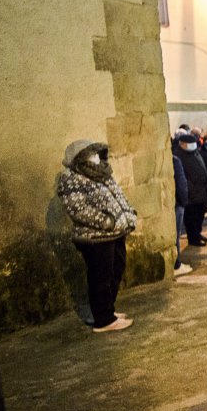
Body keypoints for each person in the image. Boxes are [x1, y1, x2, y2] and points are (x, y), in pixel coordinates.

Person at [57, 140, 137, 333]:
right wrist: (105, 221)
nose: (95, 157)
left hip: (115, 233)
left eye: (97, 153)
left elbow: (119, 196)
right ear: (79, 157)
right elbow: (77, 208)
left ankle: (108, 310)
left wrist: (128, 214)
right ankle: (103, 319)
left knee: (116, 268)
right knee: (101, 276)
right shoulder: (71, 178)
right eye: (91, 153)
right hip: (95, 237)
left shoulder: (103, 174)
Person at [172, 133, 207, 247]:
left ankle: (198, 234)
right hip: (192, 194)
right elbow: (180, 176)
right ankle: (193, 238)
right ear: (182, 144)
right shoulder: (178, 155)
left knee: (199, 216)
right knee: (192, 218)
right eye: (190, 144)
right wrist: (191, 188)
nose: (193, 145)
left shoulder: (195, 152)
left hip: (202, 191)